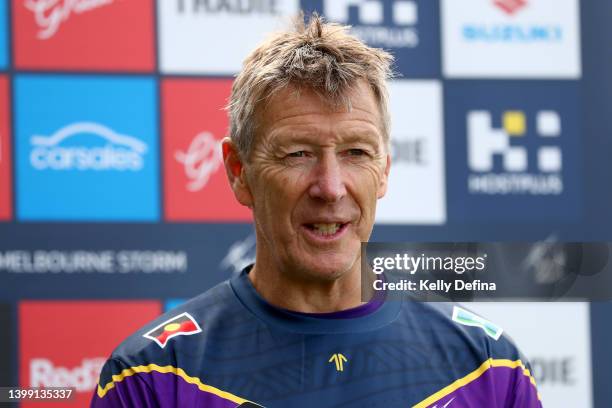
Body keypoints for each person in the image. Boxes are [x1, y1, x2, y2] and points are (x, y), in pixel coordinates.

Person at [91, 14, 542, 408]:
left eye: (356, 153)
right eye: (298, 154)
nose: (330, 187)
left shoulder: (487, 366)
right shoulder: (153, 377)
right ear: (238, 172)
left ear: (384, 171)